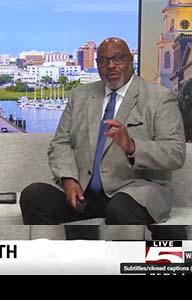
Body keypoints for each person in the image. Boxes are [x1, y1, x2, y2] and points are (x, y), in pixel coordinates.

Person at [20, 37, 187, 240]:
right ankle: (66, 261)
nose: (110, 66)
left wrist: (132, 146)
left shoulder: (159, 98)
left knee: (119, 209)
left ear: (131, 61)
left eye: (118, 58)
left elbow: (175, 153)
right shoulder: (79, 96)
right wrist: (69, 179)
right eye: (103, 60)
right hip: (83, 190)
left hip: (133, 191)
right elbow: (60, 144)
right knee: (33, 196)